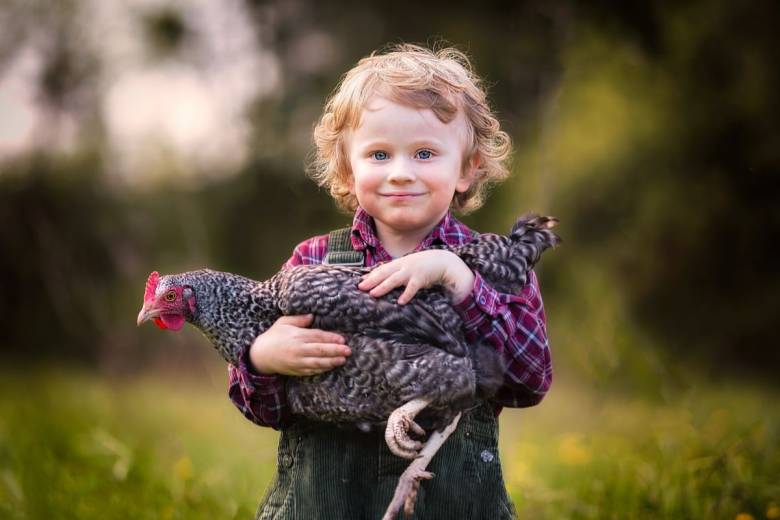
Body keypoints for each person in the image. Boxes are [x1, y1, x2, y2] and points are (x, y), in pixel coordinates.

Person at [228, 43, 551, 519]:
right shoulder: (312, 262)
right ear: (346, 167)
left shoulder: (493, 267)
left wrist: (458, 280)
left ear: (466, 168)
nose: (401, 173)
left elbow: (529, 381)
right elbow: (264, 410)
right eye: (379, 154)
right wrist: (261, 357)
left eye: (424, 153)